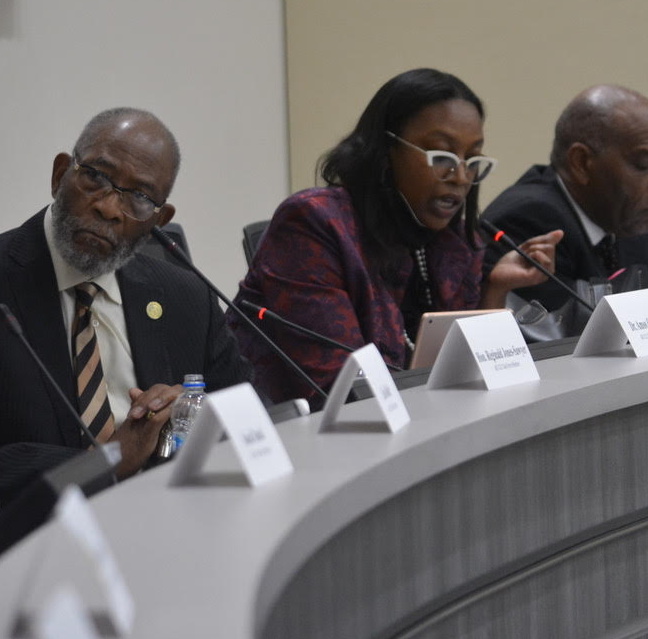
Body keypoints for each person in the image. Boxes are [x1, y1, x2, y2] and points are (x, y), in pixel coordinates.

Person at [0, 109, 251, 506]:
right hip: (36, 536)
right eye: (97, 178)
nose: (108, 208)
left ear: (159, 219)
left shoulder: (186, 296)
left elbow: (250, 414)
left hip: (171, 519)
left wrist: (193, 415)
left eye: (139, 197)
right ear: (60, 175)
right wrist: (103, 463)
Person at [231, 68, 561, 403]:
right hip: (309, 436)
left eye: (472, 160)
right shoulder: (313, 224)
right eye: (441, 156)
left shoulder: (453, 243)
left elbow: (471, 371)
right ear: (386, 149)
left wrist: (495, 288)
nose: (461, 177)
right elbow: (342, 386)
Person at [481, 84, 648, 311]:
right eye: (643, 163)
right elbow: (560, 339)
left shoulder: (631, 222)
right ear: (581, 163)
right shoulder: (530, 219)